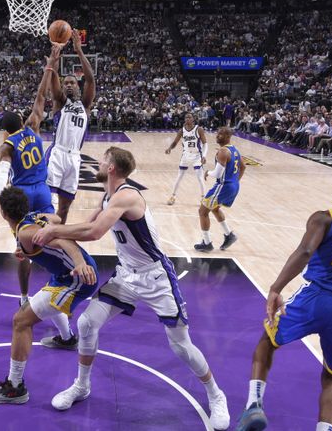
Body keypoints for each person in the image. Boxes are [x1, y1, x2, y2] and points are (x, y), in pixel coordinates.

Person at [32, 147, 230, 429]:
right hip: (127, 276)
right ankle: (81, 386)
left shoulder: (127, 195)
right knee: (88, 323)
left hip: (155, 278)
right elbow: (83, 226)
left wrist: (54, 232)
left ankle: (216, 394)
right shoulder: (108, 196)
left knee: (181, 346)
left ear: (111, 167)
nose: (98, 163)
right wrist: (45, 237)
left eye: (102, 160)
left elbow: (94, 233)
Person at [235, 169, 332, 431]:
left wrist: (276, 288)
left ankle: (253, 406)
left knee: (267, 341)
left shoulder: (326, 218)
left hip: (318, 298)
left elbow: (306, 251)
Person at [0, 46, 77, 348]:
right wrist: (49, 67)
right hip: (43, 190)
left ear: (4, 131)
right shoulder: (34, 127)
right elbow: (41, 97)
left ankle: (26, 297)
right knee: (52, 238)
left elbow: (2, 174)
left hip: (23, 196)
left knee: (24, 250)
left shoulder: (6, 147)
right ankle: (62, 276)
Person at [0, 186, 98, 404]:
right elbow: (54, 218)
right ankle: (67, 339)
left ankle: (15, 388)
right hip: (63, 274)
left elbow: (63, 240)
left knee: (20, 321)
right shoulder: (33, 217)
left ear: (5, 214)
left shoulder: (26, 232)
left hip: (75, 277)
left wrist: (79, 263)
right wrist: (41, 225)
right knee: (46, 296)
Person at [45, 30, 96, 224]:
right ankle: (42, 234)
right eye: (65, 82)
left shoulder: (85, 105)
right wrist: (54, 60)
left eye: (72, 83)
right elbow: (53, 80)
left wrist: (79, 51)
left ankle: (57, 236)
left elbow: (90, 79)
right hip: (57, 154)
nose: (68, 85)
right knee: (47, 201)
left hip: (75, 157)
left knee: (65, 207)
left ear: (78, 86)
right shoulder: (59, 102)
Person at [195, 127, 244, 252]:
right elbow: (243, 167)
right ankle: (229, 235)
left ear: (228, 136)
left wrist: (207, 172)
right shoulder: (235, 150)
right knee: (215, 208)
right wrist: (234, 181)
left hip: (223, 186)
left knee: (203, 211)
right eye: (218, 133)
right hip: (233, 186)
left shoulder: (223, 152)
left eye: (221, 134)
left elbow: (217, 173)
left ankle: (207, 243)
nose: (217, 136)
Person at [165, 112, 208, 205]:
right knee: (179, 177)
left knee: (200, 178)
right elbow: (175, 142)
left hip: (197, 156)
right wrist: (170, 148)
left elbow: (205, 144)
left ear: (193, 119)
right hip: (185, 155)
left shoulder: (199, 129)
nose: (187, 119)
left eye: (189, 117)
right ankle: (173, 196)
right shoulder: (182, 131)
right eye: (186, 117)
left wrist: (204, 155)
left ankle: (203, 198)